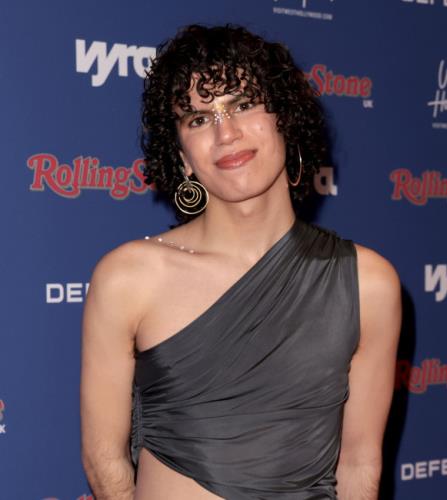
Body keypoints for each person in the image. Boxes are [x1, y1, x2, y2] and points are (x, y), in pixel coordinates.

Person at [80, 24, 402, 500]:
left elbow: (360, 464)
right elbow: (104, 459)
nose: (226, 133)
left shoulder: (366, 282)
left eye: (243, 104)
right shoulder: (129, 278)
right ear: (182, 156)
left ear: (283, 119)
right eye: (198, 119)